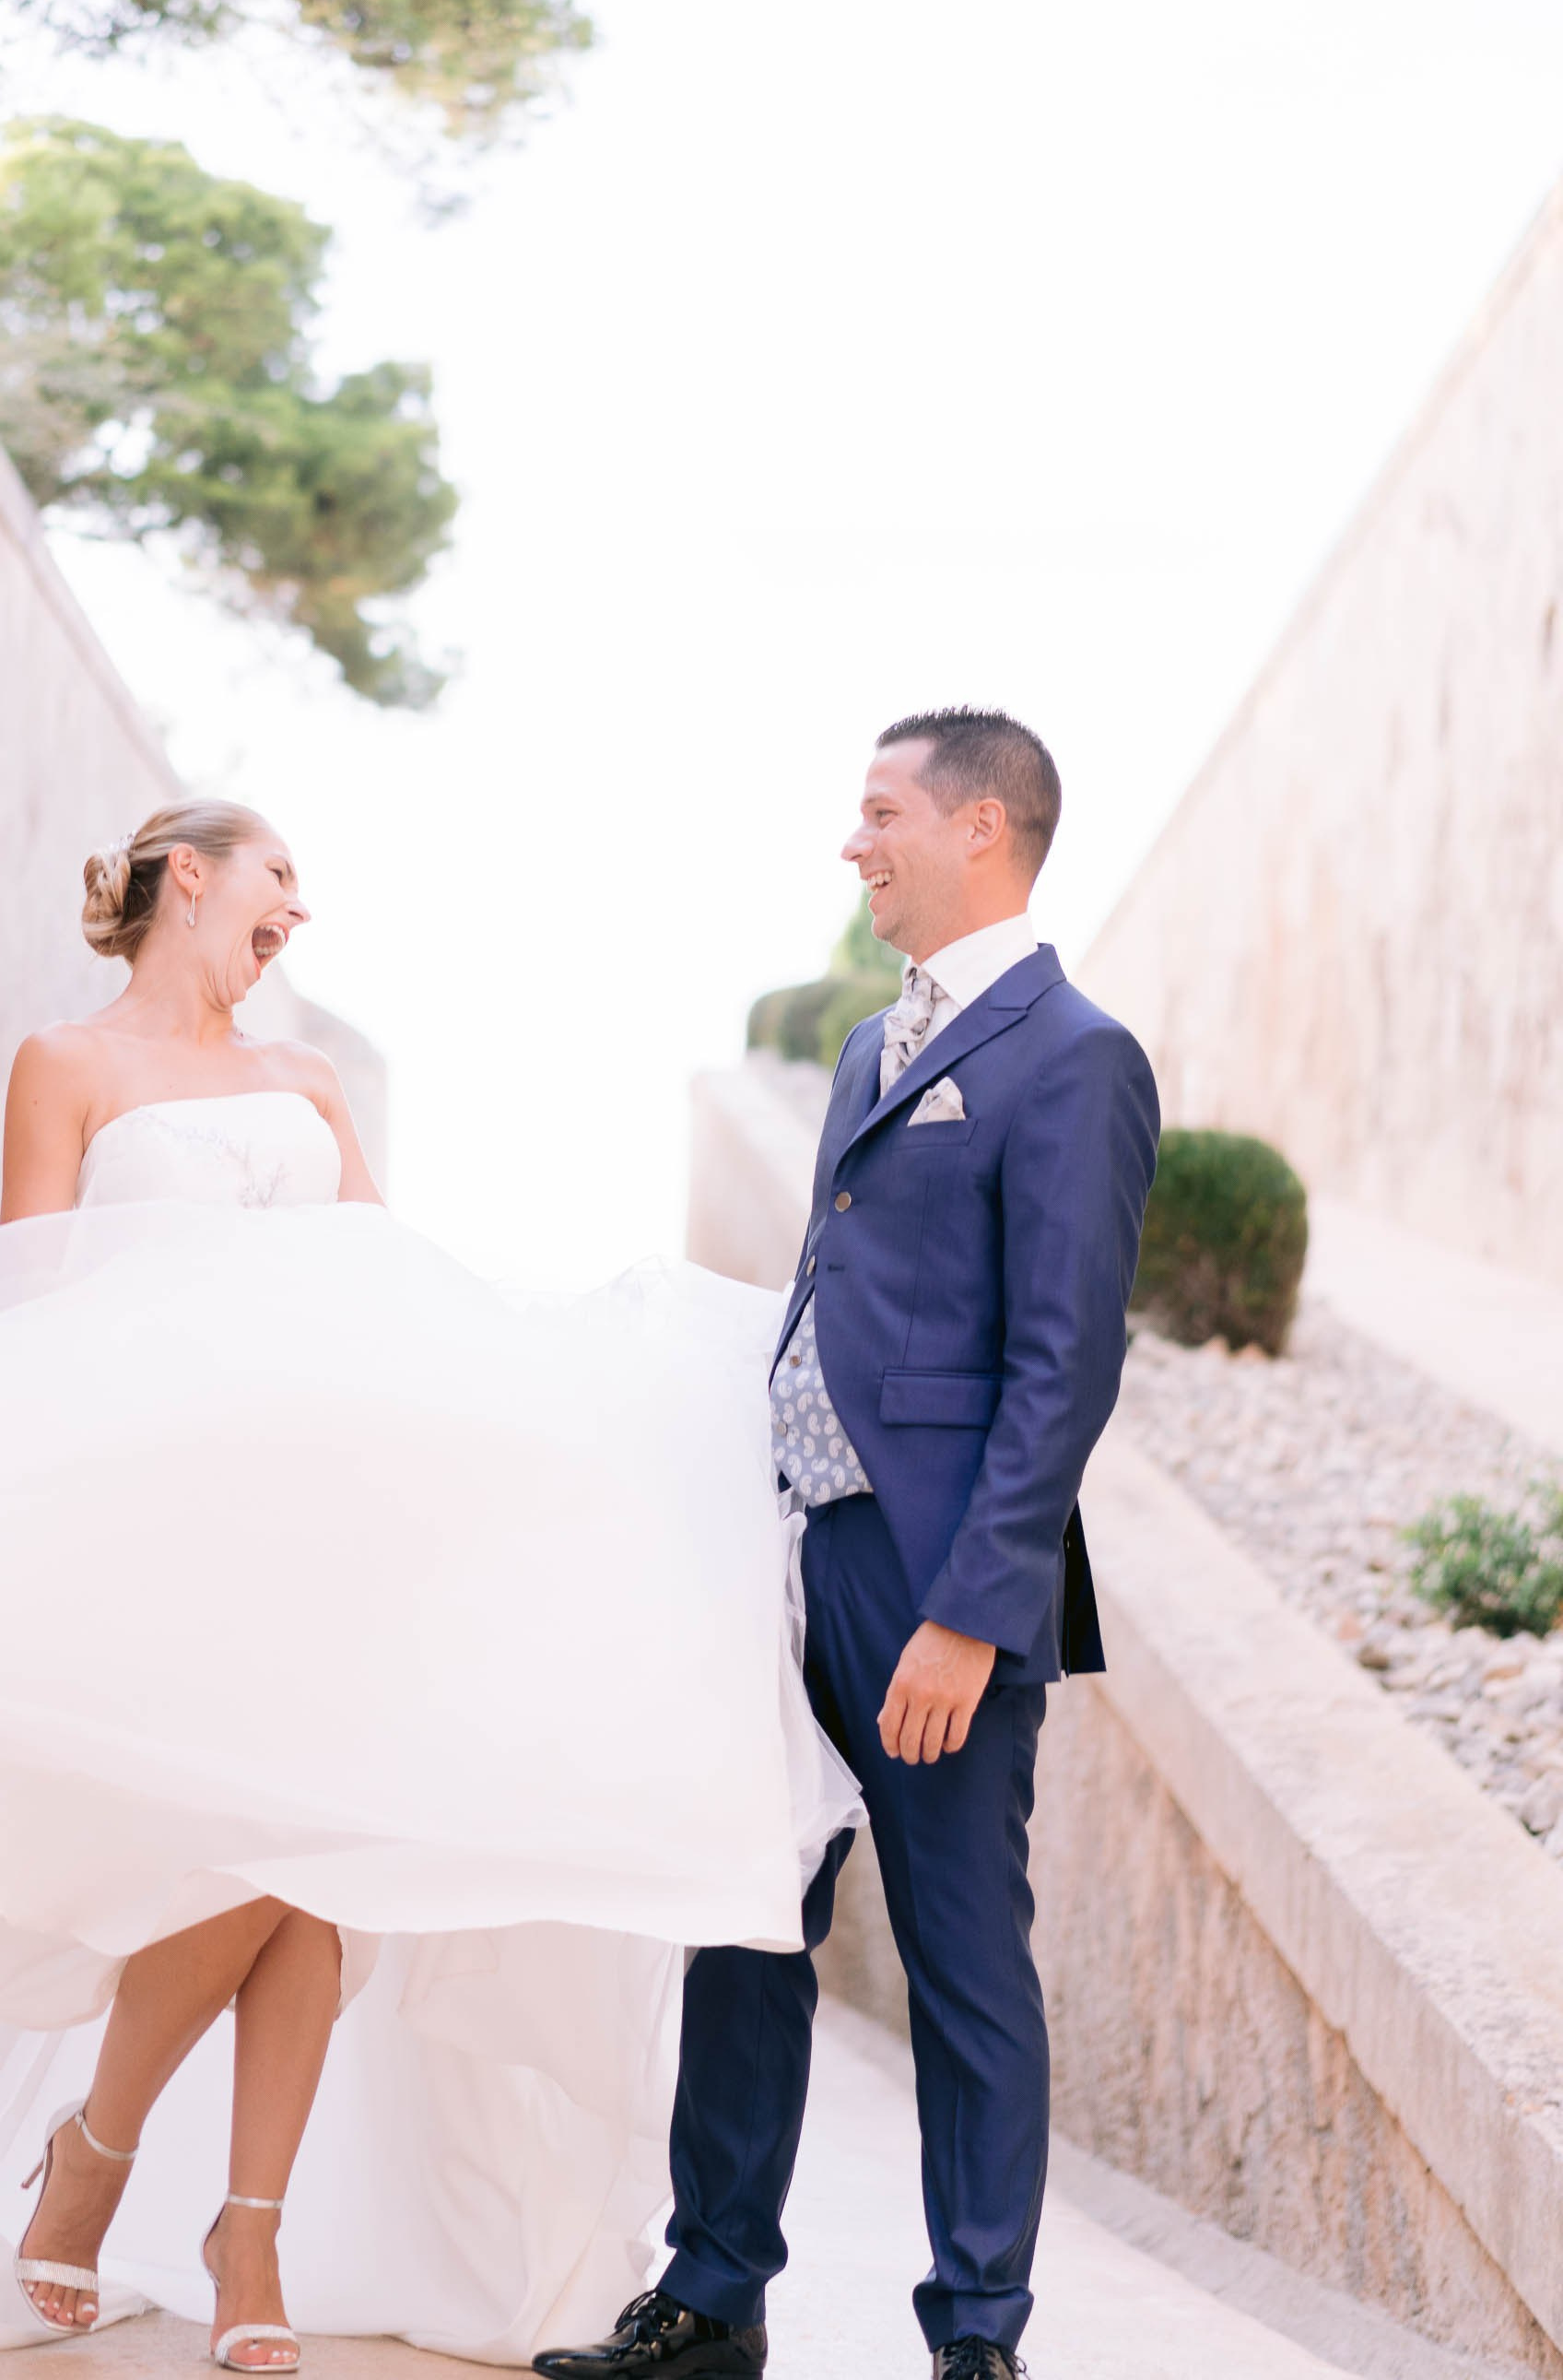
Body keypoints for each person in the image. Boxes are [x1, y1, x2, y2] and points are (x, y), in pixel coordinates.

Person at [0, 800, 854, 2373]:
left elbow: (394, 1293)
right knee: (236, 1859)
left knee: (324, 1855)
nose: (297, 915)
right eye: (279, 881)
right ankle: (102, 2164)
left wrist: (555, 1370)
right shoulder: (70, 1064)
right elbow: (26, 1295)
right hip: (158, 1526)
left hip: (327, 1540)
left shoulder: (306, 1083)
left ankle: (240, 2229)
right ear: (191, 875)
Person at [534, 709, 1160, 2380]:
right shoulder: (882, 1048)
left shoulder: (1076, 1053)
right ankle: (712, 2295)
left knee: (962, 1963)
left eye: (881, 810)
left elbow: (1064, 1362)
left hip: (936, 1580)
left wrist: (971, 1610)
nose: (854, 840)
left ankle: (975, 2342)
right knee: (745, 1924)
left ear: (982, 830)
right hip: (794, 1560)